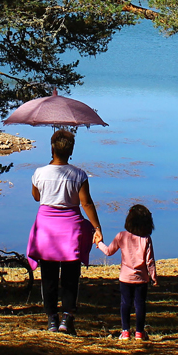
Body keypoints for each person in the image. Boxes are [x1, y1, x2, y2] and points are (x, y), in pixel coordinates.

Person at [27, 129, 103, 335]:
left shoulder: (39, 173)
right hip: (70, 230)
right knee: (71, 276)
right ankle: (67, 318)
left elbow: (36, 196)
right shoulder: (79, 175)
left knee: (49, 276)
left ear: (52, 149)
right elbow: (85, 202)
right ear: (71, 151)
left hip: (46, 230)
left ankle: (52, 319)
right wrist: (97, 227)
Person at [96, 204, 157, 341]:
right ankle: (140, 333)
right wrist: (154, 277)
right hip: (141, 279)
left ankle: (125, 332)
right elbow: (150, 261)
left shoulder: (121, 236)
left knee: (125, 304)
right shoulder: (146, 239)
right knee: (140, 305)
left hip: (125, 279)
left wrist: (99, 243)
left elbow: (109, 251)